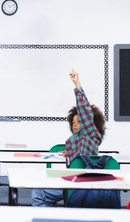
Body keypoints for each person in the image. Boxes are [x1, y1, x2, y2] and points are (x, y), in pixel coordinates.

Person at [31, 69, 106, 207]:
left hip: (79, 183)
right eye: (73, 122)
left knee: (38, 193)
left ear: (90, 122)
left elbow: (85, 111)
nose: (75, 125)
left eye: (79, 121)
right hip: (77, 179)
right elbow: (81, 156)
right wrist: (69, 153)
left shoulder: (90, 133)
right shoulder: (79, 140)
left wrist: (77, 84)